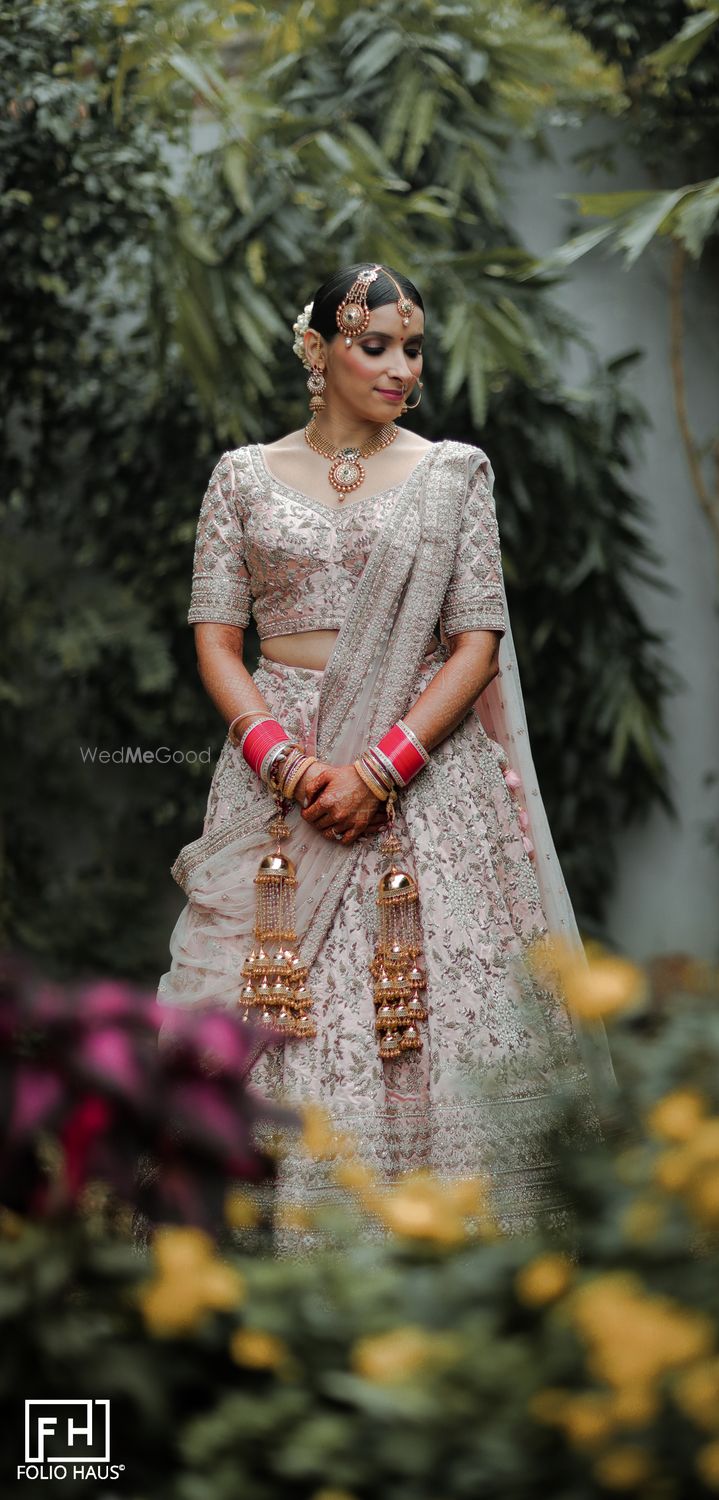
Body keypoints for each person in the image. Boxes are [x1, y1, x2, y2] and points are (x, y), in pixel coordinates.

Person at [156, 262, 617, 1255]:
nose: (400, 367)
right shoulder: (241, 476)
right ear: (316, 350)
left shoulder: (451, 474)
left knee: (439, 1003)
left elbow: (476, 642)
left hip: (425, 776)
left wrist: (378, 769)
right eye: (375, 344)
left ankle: (459, 1249)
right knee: (278, 994)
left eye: (411, 347)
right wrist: (286, 761)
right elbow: (215, 642)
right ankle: (270, 1241)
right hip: (274, 771)